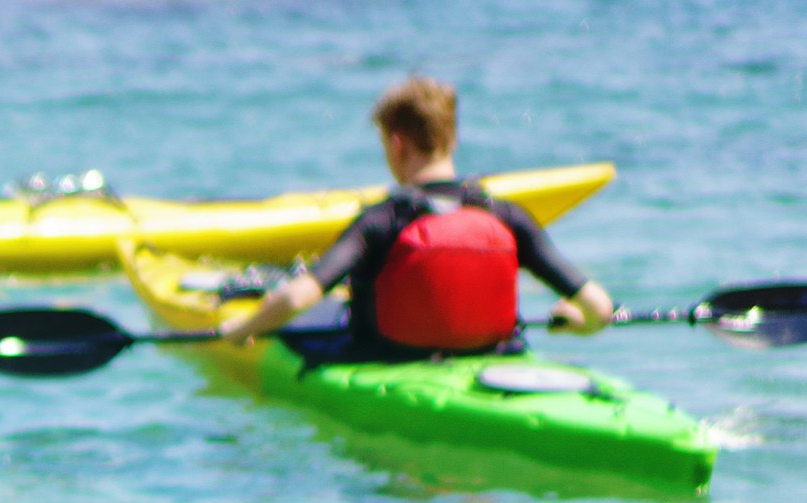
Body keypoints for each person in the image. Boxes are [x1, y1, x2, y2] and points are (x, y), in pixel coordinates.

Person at [222, 76, 617, 354]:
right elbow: (600, 308)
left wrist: (242, 330)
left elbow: (298, 296)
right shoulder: (505, 215)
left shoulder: (381, 221)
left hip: (389, 361)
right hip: (493, 361)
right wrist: (578, 324)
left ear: (397, 145)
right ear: (453, 137)